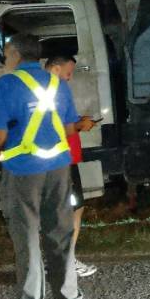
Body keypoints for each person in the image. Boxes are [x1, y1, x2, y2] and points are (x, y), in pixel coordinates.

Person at [0, 34, 83, 299]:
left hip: (23, 171)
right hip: (58, 169)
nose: (5, 59)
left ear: (14, 53)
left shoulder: (7, 85)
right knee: (61, 235)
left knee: (27, 240)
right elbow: (67, 129)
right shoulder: (57, 84)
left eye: (6, 54)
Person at [45, 55, 99, 277]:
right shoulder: (52, 91)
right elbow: (56, 126)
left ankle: (60, 259)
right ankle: (65, 261)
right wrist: (79, 125)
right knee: (71, 209)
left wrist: (79, 120)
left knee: (71, 208)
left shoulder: (48, 90)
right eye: (68, 73)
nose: (70, 78)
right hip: (61, 160)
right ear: (56, 69)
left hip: (64, 158)